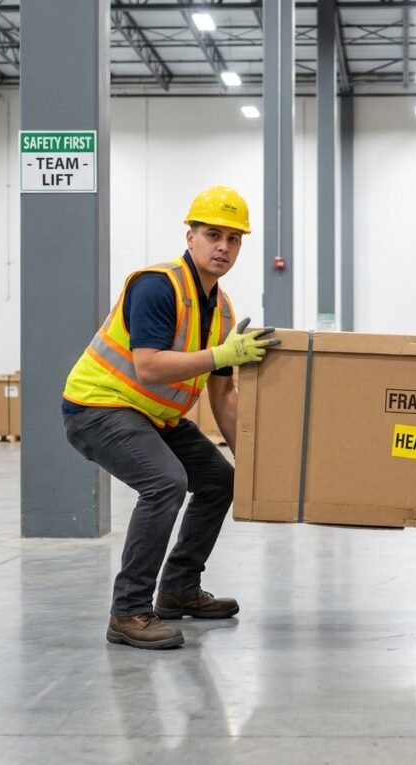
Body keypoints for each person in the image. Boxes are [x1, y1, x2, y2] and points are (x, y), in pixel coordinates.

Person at [61, 186, 279, 650]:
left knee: (219, 479)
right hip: (99, 406)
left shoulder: (221, 311)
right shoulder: (157, 286)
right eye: (213, 234)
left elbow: (222, 394)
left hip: (153, 416)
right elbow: (148, 366)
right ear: (191, 236)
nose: (223, 246)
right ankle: (128, 612)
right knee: (165, 483)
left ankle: (178, 588)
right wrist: (220, 353)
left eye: (234, 238)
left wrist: (255, 462)